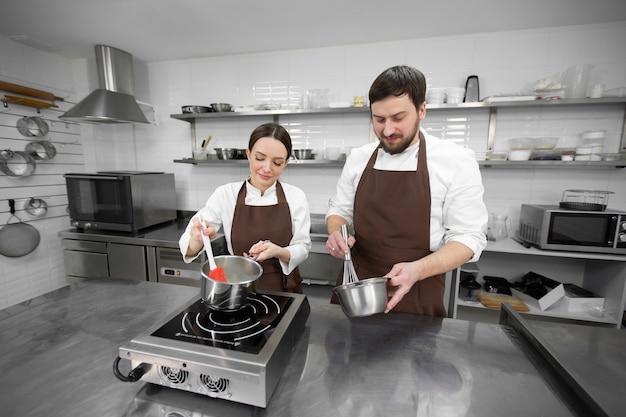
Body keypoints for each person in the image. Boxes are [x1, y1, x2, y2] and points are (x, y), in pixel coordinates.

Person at [325, 65, 488, 316]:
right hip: (358, 283)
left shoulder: (455, 160)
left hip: (419, 289)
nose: (387, 130)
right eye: (379, 120)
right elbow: (339, 211)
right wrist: (336, 232)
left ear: (422, 110)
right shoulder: (359, 158)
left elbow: (468, 238)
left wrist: (417, 270)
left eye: (398, 118)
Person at [179, 122, 311, 293]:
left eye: (277, 163)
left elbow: (303, 246)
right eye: (260, 158)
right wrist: (198, 239)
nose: (267, 168)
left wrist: (278, 252)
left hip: (284, 288)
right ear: (248, 154)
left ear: (286, 162)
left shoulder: (295, 196)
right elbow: (189, 249)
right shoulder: (225, 194)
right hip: (239, 287)